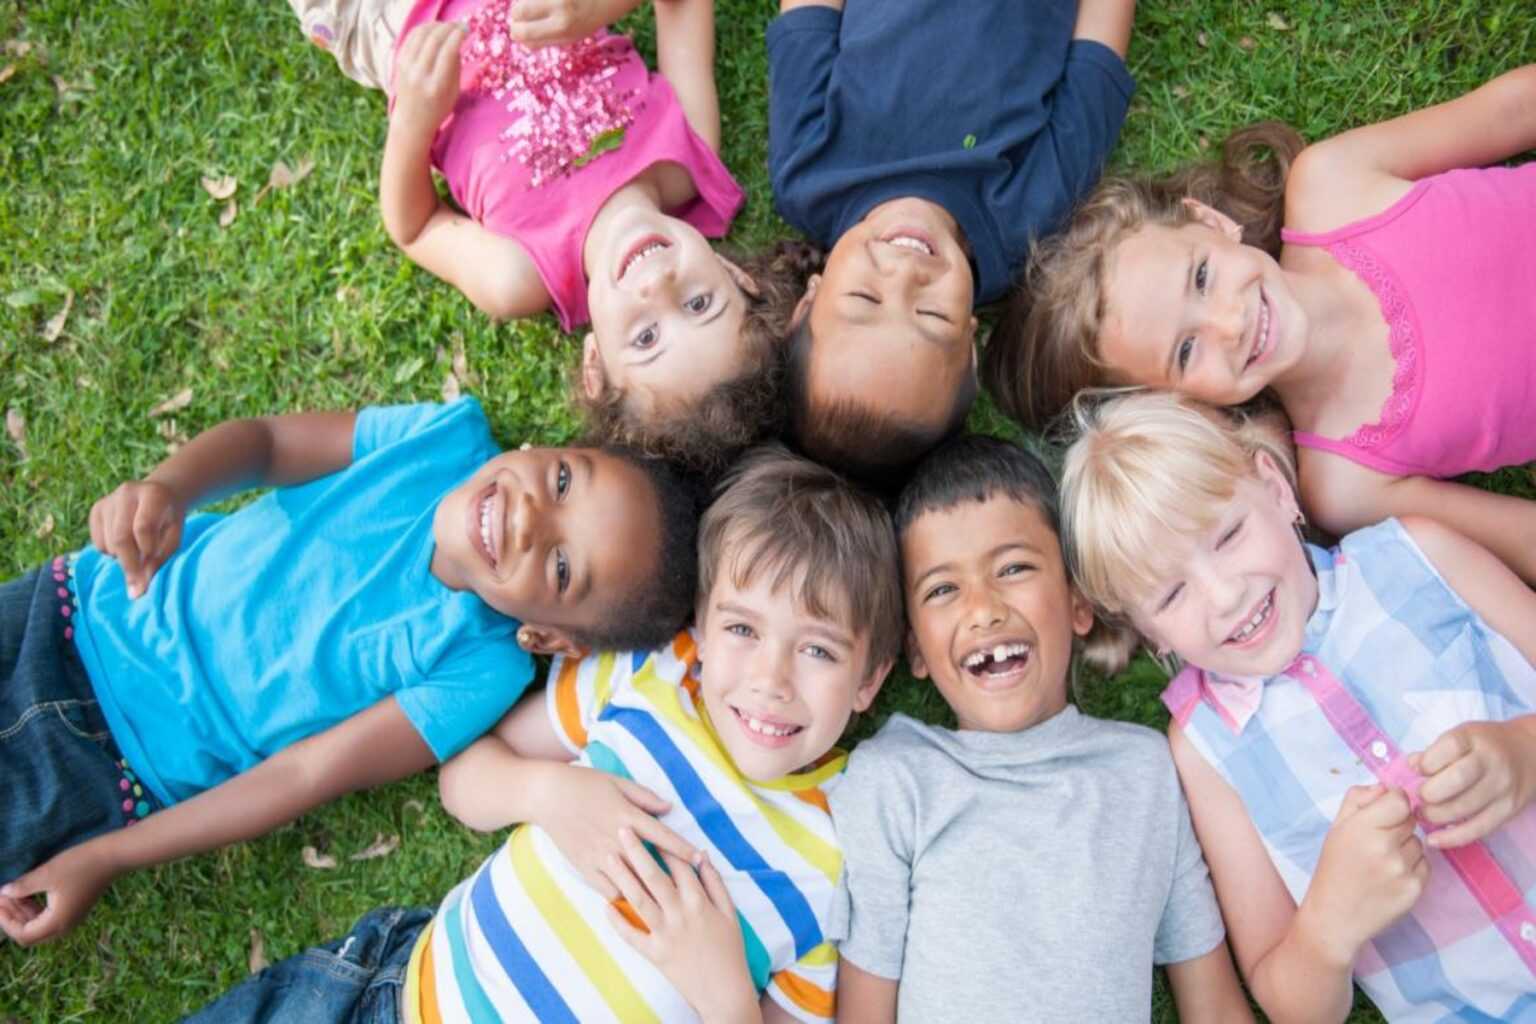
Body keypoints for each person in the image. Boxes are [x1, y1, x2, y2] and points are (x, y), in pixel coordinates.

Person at [183, 443, 905, 1023]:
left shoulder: (836, 862)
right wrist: (549, 795)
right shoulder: (651, 681)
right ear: (703, 629)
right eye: (743, 629)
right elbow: (463, 777)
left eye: (819, 650)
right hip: (393, 1000)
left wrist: (726, 1000)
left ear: (869, 681)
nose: (771, 679)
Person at [0, 396, 701, 947]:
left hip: (103, 764)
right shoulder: (443, 439)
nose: (529, 518)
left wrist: (109, 858)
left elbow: (302, 775)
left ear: (545, 636)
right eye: (563, 480)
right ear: (543, 451)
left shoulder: (480, 671)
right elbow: (268, 444)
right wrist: (169, 488)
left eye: (561, 566)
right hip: (69, 609)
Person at [1060, 389, 1536, 1021]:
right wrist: (1327, 927)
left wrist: (1523, 751)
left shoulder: (1418, 556)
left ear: (1276, 489)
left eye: (1228, 535)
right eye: (1171, 595)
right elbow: (1292, 1005)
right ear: (1150, 634)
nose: (1224, 596)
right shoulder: (1205, 750)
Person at [987, 62, 1536, 582]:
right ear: (1182, 408)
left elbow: (1512, 109)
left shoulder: (1331, 184)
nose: (1230, 324)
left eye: (1201, 277)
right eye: (1185, 351)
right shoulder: (1345, 481)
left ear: (1210, 221)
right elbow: (1521, 536)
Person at [821, 433, 1250, 1022]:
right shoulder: (894, 780)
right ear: (914, 647)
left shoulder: (1146, 772)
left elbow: (1214, 1006)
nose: (983, 609)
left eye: (1014, 568)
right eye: (943, 589)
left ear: (1078, 603)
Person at [288, 0, 787, 470]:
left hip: (390, 23)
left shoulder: (521, 275)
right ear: (734, 274)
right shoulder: (686, 156)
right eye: (699, 304)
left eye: (646, 337)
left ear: (595, 365)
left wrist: (413, 122)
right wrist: (595, 8)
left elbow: (415, 227)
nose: (658, 286)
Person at [766, 0, 1136, 488]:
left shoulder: (807, 172)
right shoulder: (1033, 218)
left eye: (864, 297)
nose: (905, 275)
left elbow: (808, 16)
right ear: (970, 344)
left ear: (806, 304)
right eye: (932, 316)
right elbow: (1097, 56)